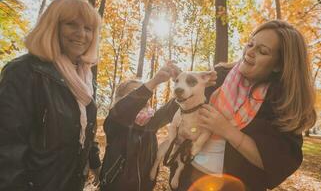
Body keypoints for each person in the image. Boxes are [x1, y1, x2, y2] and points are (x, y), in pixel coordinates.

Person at [169, 20, 316, 191]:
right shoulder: (219, 76)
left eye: (262, 51)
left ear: (279, 65)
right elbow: (175, 111)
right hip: (186, 181)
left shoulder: (284, 104)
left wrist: (226, 130)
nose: (250, 52)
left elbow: (279, 161)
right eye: (250, 44)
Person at [0, 0, 102, 191]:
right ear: (52, 26)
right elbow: (6, 149)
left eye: (88, 28)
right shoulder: (24, 72)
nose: (81, 34)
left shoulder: (84, 79)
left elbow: (84, 136)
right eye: (71, 24)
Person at [99, 62, 181, 191]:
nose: (143, 96)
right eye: (134, 92)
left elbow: (173, 107)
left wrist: (179, 81)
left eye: (144, 92)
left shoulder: (150, 123)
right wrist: (153, 82)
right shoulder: (115, 121)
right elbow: (124, 110)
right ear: (122, 99)